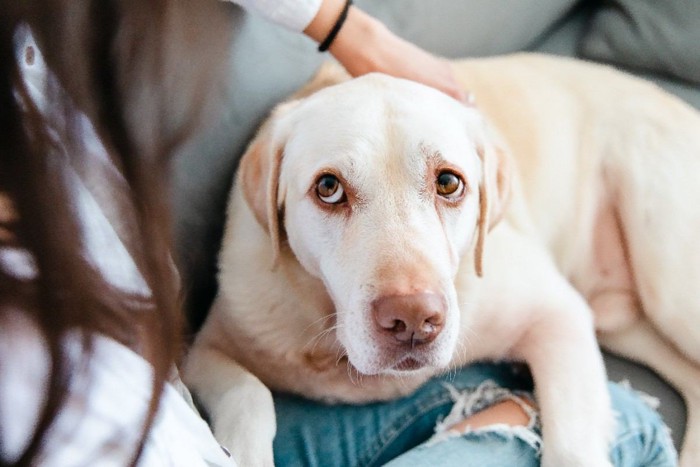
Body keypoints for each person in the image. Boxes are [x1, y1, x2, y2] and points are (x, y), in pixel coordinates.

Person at [0, 0, 677, 466]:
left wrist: (351, 28)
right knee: (633, 415)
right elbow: (213, 352)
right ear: (277, 210)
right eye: (332, 190)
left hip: (621, 138)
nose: (410, 296)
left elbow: (560, 314)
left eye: (446, 185)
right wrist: (242, 409)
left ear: (482, 204)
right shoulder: (255, 249)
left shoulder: (482, 212)